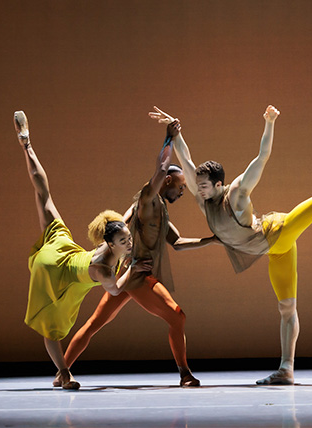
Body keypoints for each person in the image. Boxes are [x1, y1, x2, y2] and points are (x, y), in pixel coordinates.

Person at [149, 104, 312, 385]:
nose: (197, 190)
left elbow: (262, 157)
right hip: (275, 252)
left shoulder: (235, 194)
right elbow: (186, 161)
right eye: (196, 185)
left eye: (203, 186)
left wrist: (270, 122)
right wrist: (175, 132)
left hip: (279, 231)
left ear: (218, 184)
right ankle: (286, 369)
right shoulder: (204, 200)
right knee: (286, 308)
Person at [61, 119, 217, 387]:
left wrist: (212, 240)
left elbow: (177, 242)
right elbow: (160, 167)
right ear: (167, 180)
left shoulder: (162, 210)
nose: (182, 191)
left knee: (94, 324)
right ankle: (185, 374)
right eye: (180, 186)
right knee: (177, 316)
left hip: (131, 275)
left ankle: (61, 373)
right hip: (137, 276)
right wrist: (168, 140)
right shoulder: (146, 200)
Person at [15, 110, 140, 390]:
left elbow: (126, 219)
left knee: (44, 195)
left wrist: (139, 202)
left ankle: (26, 144)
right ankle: (64, 374)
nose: (129, 242)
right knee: (52, 328)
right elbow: (116, 290)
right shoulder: (103, 268)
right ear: (110, 244)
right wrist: (134, 265)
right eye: (124, 242)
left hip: (62, 248)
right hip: (58, 273)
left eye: (128, 238)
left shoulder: (114, 233)